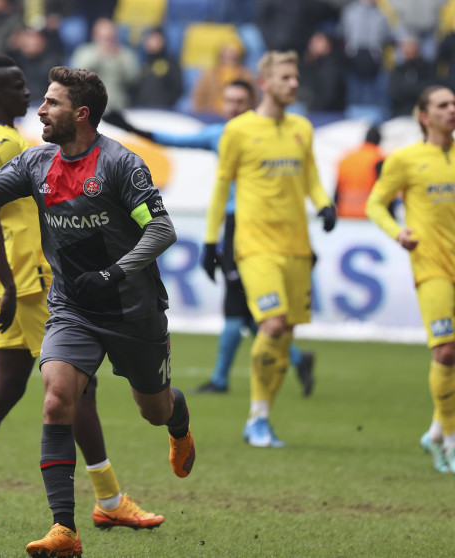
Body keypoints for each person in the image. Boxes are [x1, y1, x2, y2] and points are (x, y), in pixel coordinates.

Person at [0, 65, 195, 558]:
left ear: (80, 114)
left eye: (52, 103)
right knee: (57, 398)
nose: (40, 108)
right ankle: (64, 530)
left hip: (132, 307)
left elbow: (161, 231)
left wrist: (114, 273)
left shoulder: (121, 165)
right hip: (72, 306)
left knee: (154, 409)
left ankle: (178, 420)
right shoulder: (36, 164)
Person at [103, 80, 316, 396]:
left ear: (254, 101)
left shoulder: (276, 134)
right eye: (228, 101)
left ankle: (228, 377)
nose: (233, 107)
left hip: (263, 229)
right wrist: (133, 128)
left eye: (240, 101)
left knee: (240, 306)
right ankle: (290, 360)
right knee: (242, 305)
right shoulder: (222, 135)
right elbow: (173, 140)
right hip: (235, 226)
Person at [202, 51, 337, 448]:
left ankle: (261, 418)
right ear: (265, 83)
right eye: (286, 78)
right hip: (255, 244)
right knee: (273, 323)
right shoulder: (238, 131)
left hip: (297, 245)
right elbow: (221, 189)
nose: (294, 84)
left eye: (296, 77)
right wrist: (211, 241)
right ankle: (257, 418)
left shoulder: (302, 127)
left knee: (285, 332)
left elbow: (311, 175)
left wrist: (324, 204)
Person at [366, 85, 455, 473]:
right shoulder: (405, 160)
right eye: (442, 104)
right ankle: (450, 442)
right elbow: (375, 203)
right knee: (446, 351)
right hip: (431, 266)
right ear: (424, 115)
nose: (452, 109)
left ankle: (435, 432)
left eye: (453, 103)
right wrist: (398, 232)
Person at [335, 125, 385, 219]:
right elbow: (384, 192)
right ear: (379, 141)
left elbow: (337, 191)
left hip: (345, 214)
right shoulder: (378, 159)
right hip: (368, 215)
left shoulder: (346, 158)